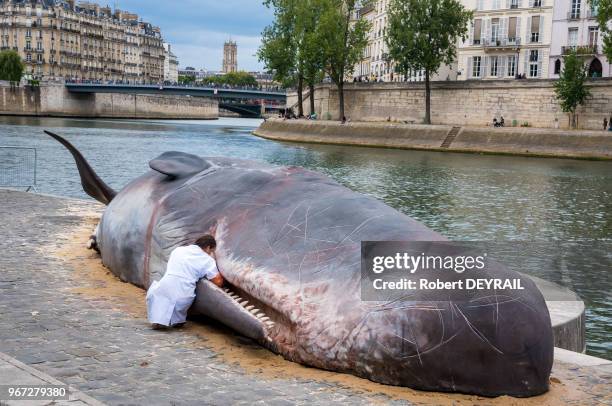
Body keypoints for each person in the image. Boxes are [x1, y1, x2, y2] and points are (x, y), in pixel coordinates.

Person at [146, 234, 224, 330]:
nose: (210, 254)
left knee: (161, 301)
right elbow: (218, 282)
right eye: (211, 251)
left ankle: (160, 320)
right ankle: (175, 321)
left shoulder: (178, 250)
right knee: (179, 314)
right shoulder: (207, 260)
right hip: (183, 292)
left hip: (163, 288)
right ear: (208, 247)